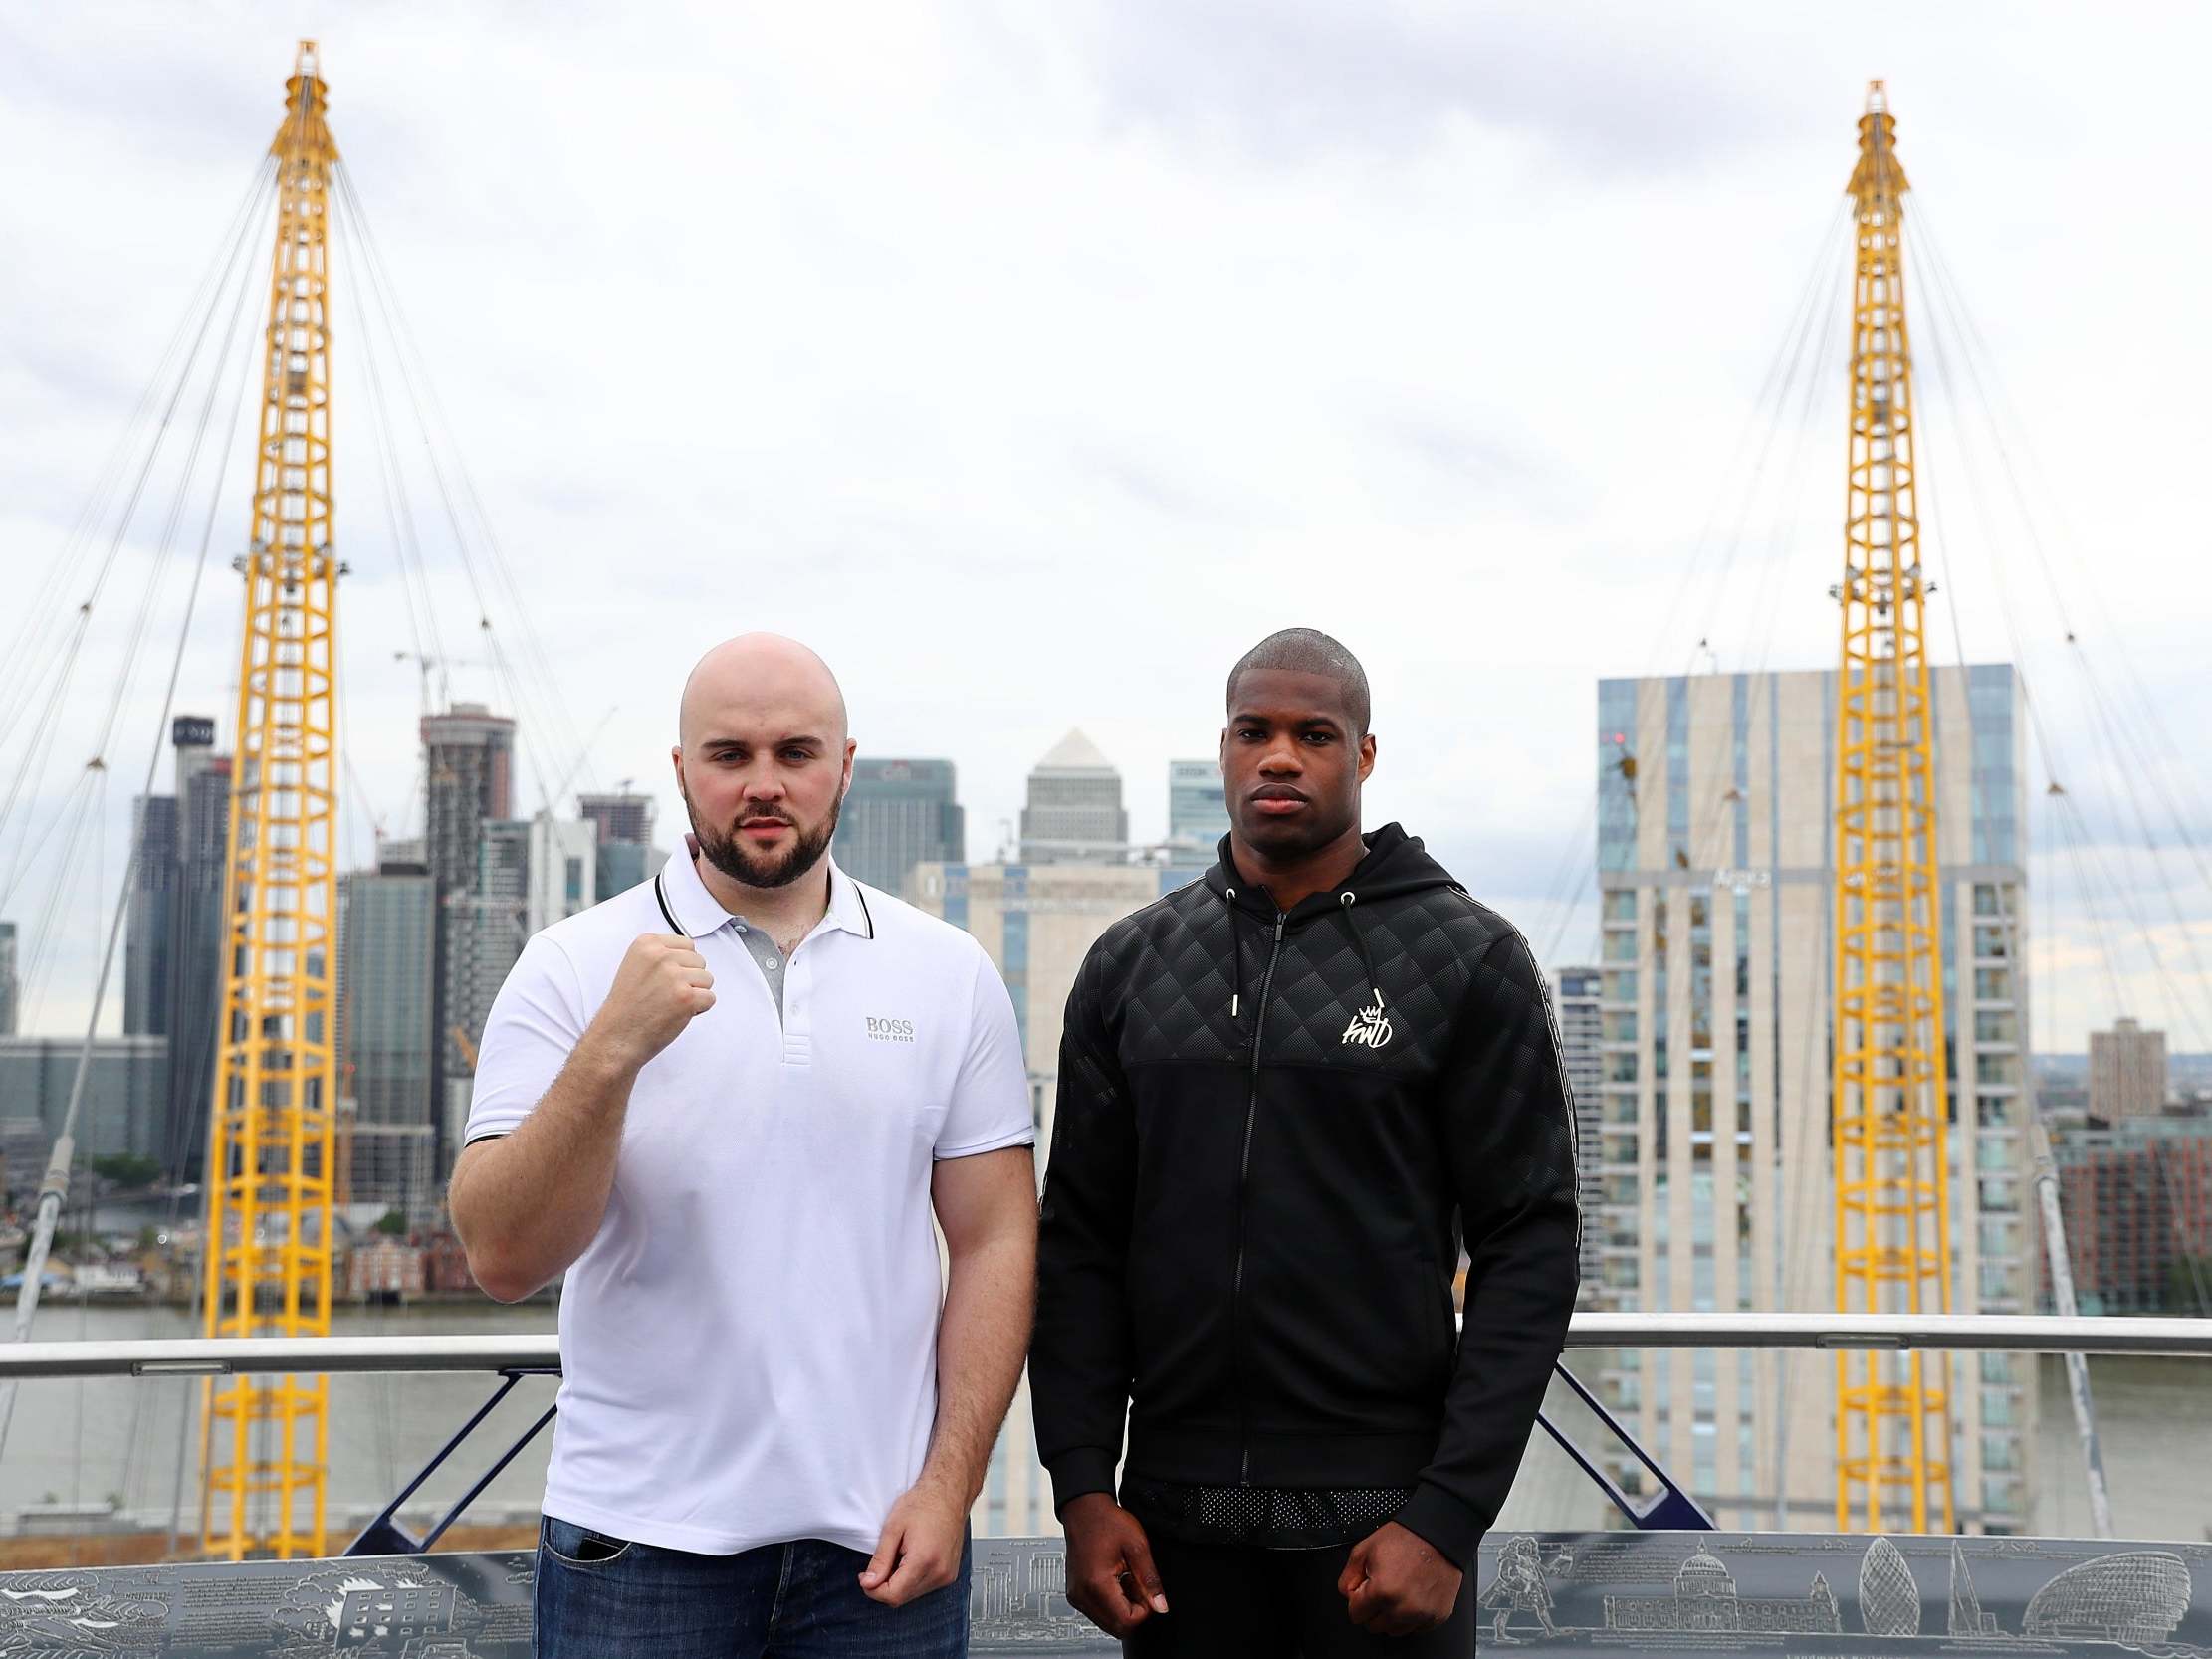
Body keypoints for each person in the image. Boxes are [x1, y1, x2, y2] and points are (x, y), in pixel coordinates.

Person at [450, 632, 1038, 1659]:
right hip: (635, 1542)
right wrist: (610, 1053)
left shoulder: (947, 972)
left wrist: (951, 1485)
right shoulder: (570, 967)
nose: (763, 784)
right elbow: (501, 1256)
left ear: (842, 765)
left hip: (882, 1543)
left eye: (795, 753)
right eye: (728, 755)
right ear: (682, 771)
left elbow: (993, 1240)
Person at [1031, 627, 1580, 1656]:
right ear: (1223, 748)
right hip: (1167, 1523)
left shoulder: (1468, 959)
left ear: (1362, 755)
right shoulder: (1129, 964)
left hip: (1385, 1526)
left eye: (1313, 733)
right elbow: (1077, 1241)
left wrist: (1446, 1516)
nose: (1279, 755)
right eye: (1254, 730)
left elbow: (1529, 1245)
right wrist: (1079, 1487)